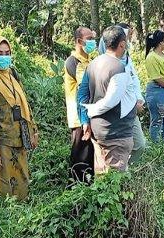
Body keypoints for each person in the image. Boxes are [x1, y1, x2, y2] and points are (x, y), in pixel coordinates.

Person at [0, 34, 39, 200]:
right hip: (1, 141)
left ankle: (21, 219)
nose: (4, 57)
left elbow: (23, 102)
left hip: (19, 136)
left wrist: (33, 130)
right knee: (2, 186)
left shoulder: (11, 73)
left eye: (7, 53)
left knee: (22, 181)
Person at [77, 26, 136, 173]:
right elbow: (111, 101)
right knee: (116, 180)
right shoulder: (119, 67)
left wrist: (85, 120)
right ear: (122, 44)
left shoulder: (92, 64)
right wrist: (91, 111)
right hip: (116, 131)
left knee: (102, 174)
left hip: (98, 130)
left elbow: (82, 95)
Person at [64, 27, 96, 184]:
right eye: (89, 38)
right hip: (79, 118)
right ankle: (75, 194)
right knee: (79, 158)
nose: (92, 41)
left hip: (89, 116)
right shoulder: (73, 61)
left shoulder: (89, 60)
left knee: (89, 158)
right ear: (79, 41)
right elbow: (85, 88)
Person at [115, 23, 147, 164]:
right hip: (116, 111)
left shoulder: (128, 59)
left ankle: (128, 171)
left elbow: (134, 80)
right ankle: (116, 177)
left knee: (139, 144)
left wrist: (139, 99)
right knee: (118, 147)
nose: (128, 41)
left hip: (131, 110)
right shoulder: (108, 62)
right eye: (126, 37)